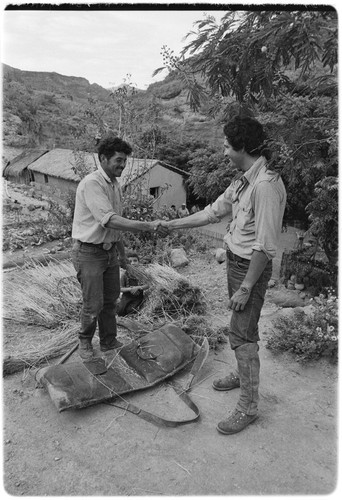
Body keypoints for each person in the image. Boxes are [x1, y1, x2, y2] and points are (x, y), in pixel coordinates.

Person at [160, 116, 286, 435]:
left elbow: (265, 246)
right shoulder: (244, 179)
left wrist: (246, 286)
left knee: (242, 335)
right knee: (242, 329)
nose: (224, 150)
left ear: (242, 146)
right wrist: (170, 224)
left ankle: (248, 406)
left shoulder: (266, 186)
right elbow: (212, 212)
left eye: (227, 145)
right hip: (237, 264)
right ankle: (243, 377)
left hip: (250, 271)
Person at [71, 135, 168, 361]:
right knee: (93, 303)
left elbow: (115, 226)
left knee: (110, 300)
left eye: (124, 161)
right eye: (118, 160)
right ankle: (84, 342)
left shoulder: (114, 184)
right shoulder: (92, 183)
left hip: (109, 253)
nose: (122, 165)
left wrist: (122, 256)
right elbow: (110, 220)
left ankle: (108, 340)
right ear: (103, 158)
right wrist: (148, 226)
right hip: (89, 253)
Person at [116, 250, 149, 316]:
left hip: (137, 297)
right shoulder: (124, 275)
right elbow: (120, 288)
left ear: (139, 262)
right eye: (130, 261)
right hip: (126, 297)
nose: (133, 263)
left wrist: (138, 287)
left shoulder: (142, 274)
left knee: (131, 310)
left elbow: (147, 285)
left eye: (135, 261)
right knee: (120, 311)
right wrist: (130, 289)